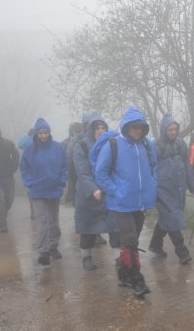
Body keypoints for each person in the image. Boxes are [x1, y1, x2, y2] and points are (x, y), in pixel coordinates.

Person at [95, 106, 157, 297]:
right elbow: (101, 172)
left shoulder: (147, 145)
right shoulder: (113, 145)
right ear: (126, 127)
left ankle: (123, 273)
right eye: (134, 127)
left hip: (140, 203)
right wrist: (116, 191)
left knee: (131, 240)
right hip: (120, 204)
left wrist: (153, 184)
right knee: (130, 240)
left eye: (141, 127)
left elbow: (155, 166)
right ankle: (136, 279)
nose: (138, 131)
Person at [73, 112, 119, 270]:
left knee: (115, 227)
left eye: (102, 127)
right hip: (88, 195)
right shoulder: (81, 146)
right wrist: (94, 190)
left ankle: (119, 259)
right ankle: (86, 256)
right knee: (88, 228)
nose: (100, 131)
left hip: (108, 194)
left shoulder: (112, 144)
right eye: (96, 128)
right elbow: (82, 172)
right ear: (90, 129)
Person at [148, 114, 194, 264]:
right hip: (163, 190)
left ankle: (155, 245)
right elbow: (150, 169)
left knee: (167, 217)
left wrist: (192, 184)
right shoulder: (156, 146)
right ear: (164, 130)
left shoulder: (180, 144)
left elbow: (187, 165)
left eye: (175, 129)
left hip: (178, 189)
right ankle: (182, 252)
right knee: (173, 217)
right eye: (170, 129)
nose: (173, 132)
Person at [20, 118, 68, 265]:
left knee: (53, 220)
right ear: (36, 134)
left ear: (49, 132)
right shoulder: (29, 149)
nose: (43, 136)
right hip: (37, 191)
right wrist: (29, 183)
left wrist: (62, 182)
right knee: (42, 220)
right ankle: (43, 251)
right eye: (40, 133)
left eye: (45, 132)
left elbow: (64, 167)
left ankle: (54, 246)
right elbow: (24, 168)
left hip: (54, 190)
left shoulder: (57, 147)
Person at [62, 122, 84, 204]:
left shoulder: (66, 142)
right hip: (77, 169)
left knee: (74, 186)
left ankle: (71, 197)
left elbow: (66, 157)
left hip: (72, 169)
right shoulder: (86, 140)